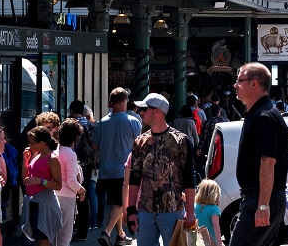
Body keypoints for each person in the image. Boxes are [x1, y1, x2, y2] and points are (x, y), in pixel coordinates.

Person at [229, 63, 288, 246]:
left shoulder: (264, 117)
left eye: (239, 80)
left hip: (262, 199)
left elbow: (268, 162)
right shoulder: (259, 114)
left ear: (254, 84)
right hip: (259, 198)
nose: (235, 85)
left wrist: (263, 205)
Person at [125, 93, 196, 246]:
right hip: (145, 211)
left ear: (157, 111)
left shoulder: (181, 141)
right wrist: (131, 209)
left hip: (172, 210)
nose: (140, 112)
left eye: (144, 109)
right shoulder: (140, 141)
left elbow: (189, 178)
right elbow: (135, 177)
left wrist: (190, 211)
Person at [95, 88, 142, 246]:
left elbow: (95, 146)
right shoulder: (133, 121)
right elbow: (140, 146)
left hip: (105, 170)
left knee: (116, 202)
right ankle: (106, 232)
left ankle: (120, 235)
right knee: (120, 203)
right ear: (124, 101)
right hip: (124, 171)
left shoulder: (101, 122)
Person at [23, 126, 64, 246]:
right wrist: (25, 161)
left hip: (44, 205)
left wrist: (41, 181)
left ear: (42, 143)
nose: (29, 145)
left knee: (43, 239)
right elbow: (25, 180)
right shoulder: (36, 156)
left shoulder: (52, 159)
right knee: (35, 239)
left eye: (32, 143)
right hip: (32, 203)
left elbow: (58, 185)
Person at [55, 119, 87, 246]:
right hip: (67, 197)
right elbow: (71, 181)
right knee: (64, 235)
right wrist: (82, 190)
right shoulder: (70, 154)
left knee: (55, 234)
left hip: (54, 194)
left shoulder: (55, 150)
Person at [69, 100, 97, 241]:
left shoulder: (72, 125)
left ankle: (77, 228)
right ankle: (84, 228)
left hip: (75, 163)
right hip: (88, 164)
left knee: (75, 195)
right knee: (84, 195)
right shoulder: (91, 125)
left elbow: (72, 146)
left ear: (72, 110)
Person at [194, 179, 223, 246]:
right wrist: (220, 242)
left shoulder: (195, 206)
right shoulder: (214, 209)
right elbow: (216, 225)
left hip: (197, 239)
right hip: (211, 241)